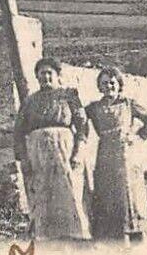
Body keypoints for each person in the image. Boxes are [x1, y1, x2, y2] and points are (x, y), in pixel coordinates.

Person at [13, 56, 91, 241]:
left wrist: (79, 151)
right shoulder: (29, 101)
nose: (46, 77)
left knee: (69, 189)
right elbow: (18, 131)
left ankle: (74, 234)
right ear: (37, 77)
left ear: (57, 75)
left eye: (49, 73)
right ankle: (45, 234)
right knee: (42, 191)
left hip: (64, 148)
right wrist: (23, 158)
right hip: (38, 152)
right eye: (42, 74)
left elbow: (82, 125)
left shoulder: (69, 96)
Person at [84, 67, 147, 243]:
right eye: (104, 83)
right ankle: (112, 238)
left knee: (128, 192)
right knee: (107, 192)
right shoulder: (94, 108)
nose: (109, 86)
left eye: (112, 83)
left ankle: (135, 233)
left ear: (119, 85)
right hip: (105, 155)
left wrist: (138, 137)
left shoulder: (128, 104)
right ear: (99, 86)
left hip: (126, 155)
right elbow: (77, 116)